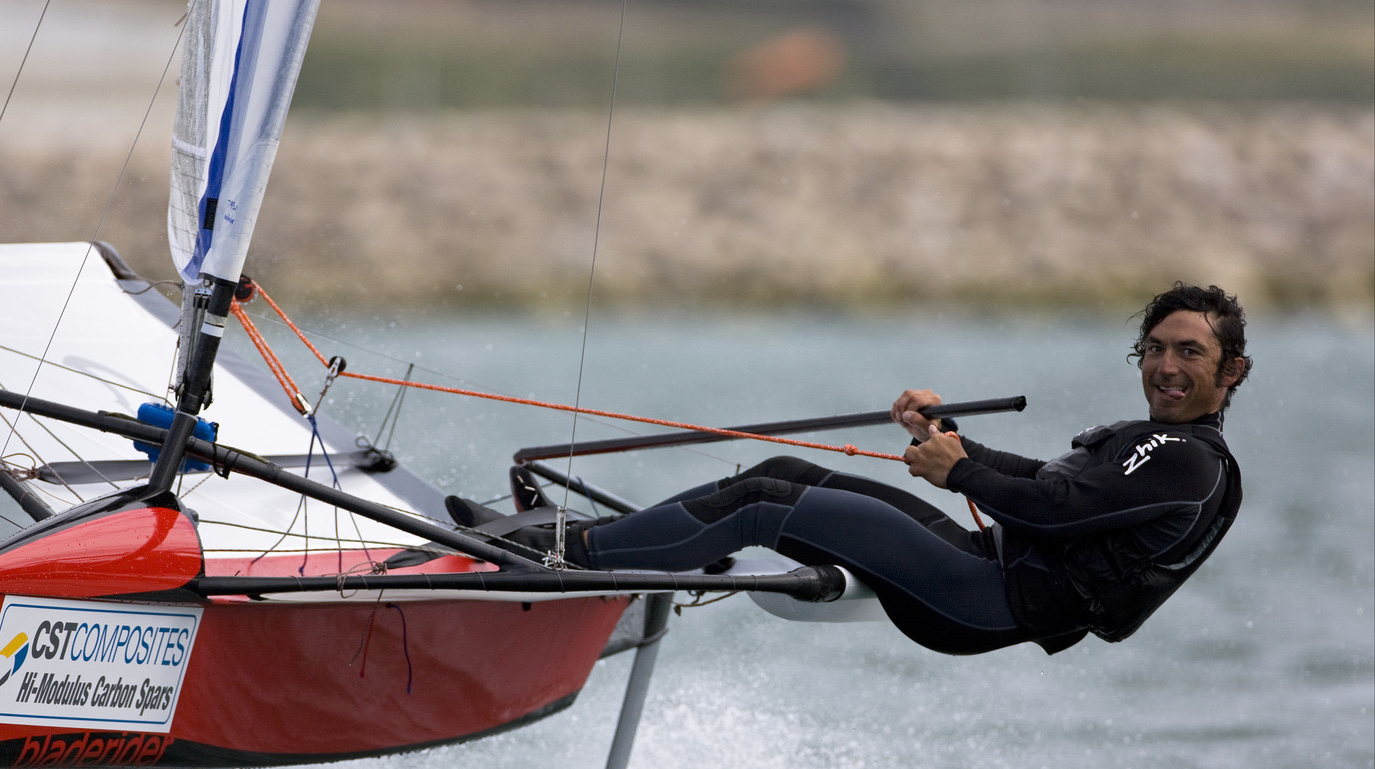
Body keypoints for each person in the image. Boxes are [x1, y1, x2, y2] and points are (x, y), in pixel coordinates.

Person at [453, 283, 1248, 655]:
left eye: (1191, 353)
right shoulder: (1156, 447)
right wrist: (947, 438)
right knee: (779, 468)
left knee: (765, 503)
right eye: (1156, 348)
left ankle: (570, 558)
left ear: (1231, 371)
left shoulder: (1189, 462)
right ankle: (616, 546)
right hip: (979, 567)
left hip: (985, 600)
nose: (1167, 366)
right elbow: (1054, 483)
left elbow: (1054, 509)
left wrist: (958, 471)